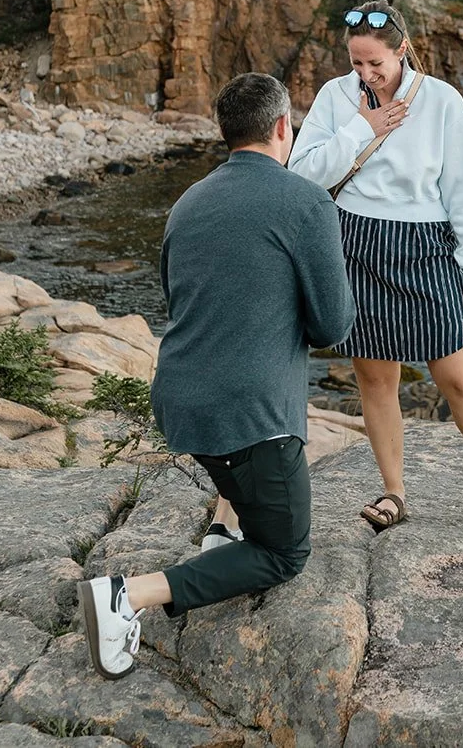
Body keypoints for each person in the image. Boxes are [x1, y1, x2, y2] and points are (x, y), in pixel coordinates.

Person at [77, 72, 355, 680]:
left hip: (181, 402)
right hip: (252, 416)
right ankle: (128, 596)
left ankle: (222, 533)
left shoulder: (187, 203)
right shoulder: (307, 202)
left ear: (226, 134)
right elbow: (333, 325)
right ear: (285, 128)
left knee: (239, 475)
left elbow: (183, 299)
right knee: (284, 552)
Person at [288, 0, 463, 535]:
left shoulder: (442, 102)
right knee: (375, 379)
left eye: (376, 62)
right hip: (354, 242)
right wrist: (362, 126)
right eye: (357, 63)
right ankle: (394, 491)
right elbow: (303, 174)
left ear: (402, 49)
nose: (367, 73)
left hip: (426, 246)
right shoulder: (336, 98)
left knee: (460, 379)